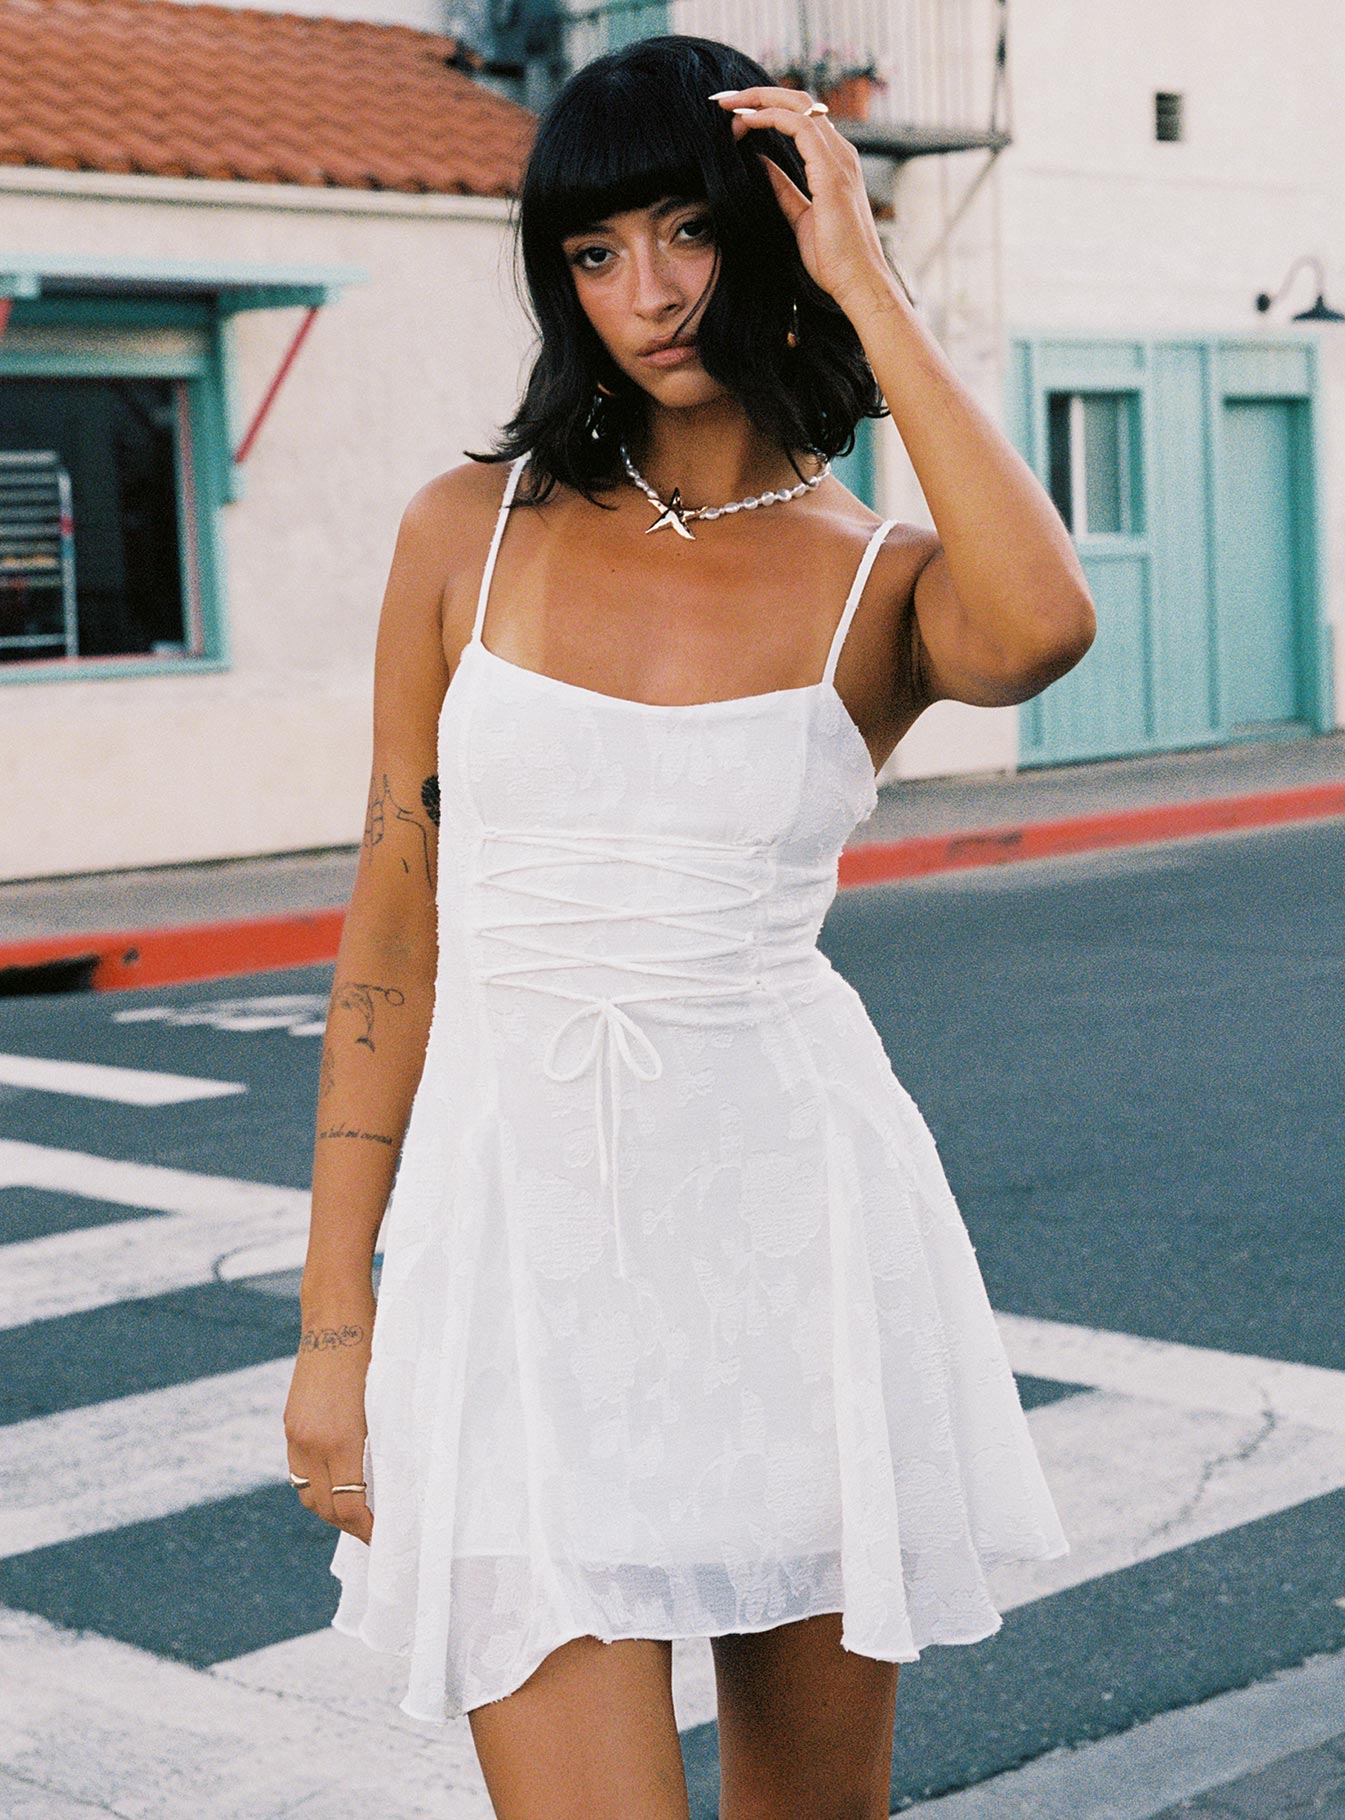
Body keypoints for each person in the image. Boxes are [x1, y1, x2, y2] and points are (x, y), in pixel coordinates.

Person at [283, 32, 1092, 1820]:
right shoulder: (467, 532)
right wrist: (336, 1317)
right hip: (514, 1255)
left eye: (687, 232)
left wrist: (870, 285)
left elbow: (1041, 626)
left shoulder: (877, 576)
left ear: (771, 235)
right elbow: (394, 931)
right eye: (593, 251)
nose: (644, 293)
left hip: (789, 1249)